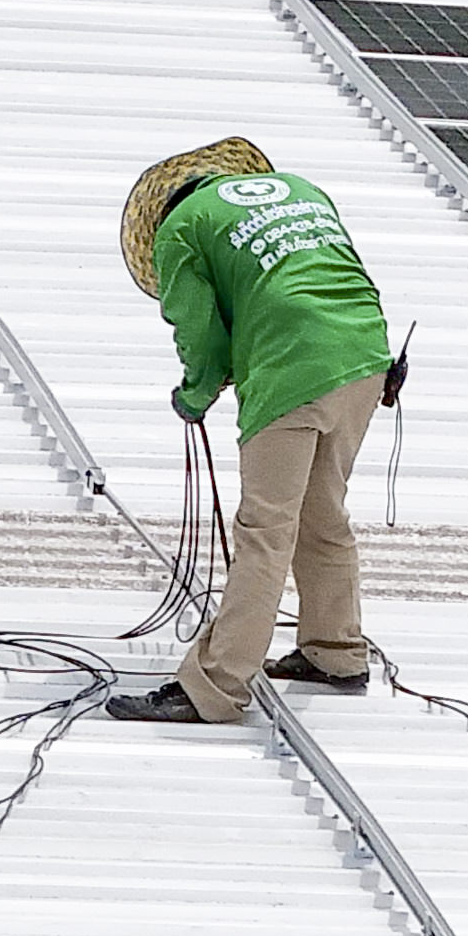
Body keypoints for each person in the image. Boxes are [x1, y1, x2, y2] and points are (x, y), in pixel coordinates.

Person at [109, 140, 396, 726]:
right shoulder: (303, 190)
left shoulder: (181, 230)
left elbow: (201, 333)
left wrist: (194, 394)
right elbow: (339, 275)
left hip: (293, 368)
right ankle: (336, 651)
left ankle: (213, 687)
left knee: (265, 531)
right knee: (323, 513)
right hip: (367, 356)